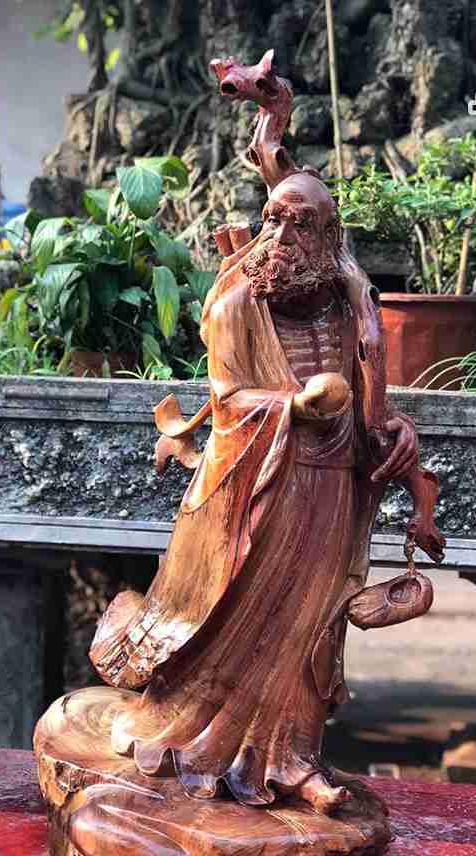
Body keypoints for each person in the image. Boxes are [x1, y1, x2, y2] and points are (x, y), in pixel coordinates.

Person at [90, 166, 445, 815]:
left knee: (309, 627)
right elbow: (227, 401)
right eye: (273, 219)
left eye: (300, 224)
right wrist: (294, 408)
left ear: (329, 237)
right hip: (258, 488)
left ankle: (294, 761)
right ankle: (202, 742)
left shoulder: (348, 311)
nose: (281, 236)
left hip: (330, 489)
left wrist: (396, 429)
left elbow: (372, 409)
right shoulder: (235, 306)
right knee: (241, 621)